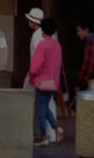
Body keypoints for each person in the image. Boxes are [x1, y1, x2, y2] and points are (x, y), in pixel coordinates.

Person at [30, 18, 64, 148]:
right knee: (45, 107)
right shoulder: (57, 46)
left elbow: (35, 65)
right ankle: (57, 128)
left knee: (41, 108)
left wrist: (32, 75)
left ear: (43, 29)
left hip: (41, 81)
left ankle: (44, 136)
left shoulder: (42, 45)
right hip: (53, 82)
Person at [25, 7, 57, 144]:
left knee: (27, 101)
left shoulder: (38, 36)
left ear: (33, 21)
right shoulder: (49, 35)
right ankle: (52, 133)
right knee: (48, 103)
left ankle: (37, 134)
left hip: (38, 74)